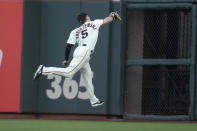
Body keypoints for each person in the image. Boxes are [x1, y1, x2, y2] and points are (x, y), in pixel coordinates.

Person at [33, 12, 121, 107]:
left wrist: (66, 59)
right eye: (87, 15)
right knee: (69, 73)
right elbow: (107, 20)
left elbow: (69, 46)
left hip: (79, 51)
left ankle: (94, 100)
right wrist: (112, 15)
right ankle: (44, 70)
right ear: (86, 17)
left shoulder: (76, 30)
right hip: (85, 51)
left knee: (88, 75)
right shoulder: (94, 23)